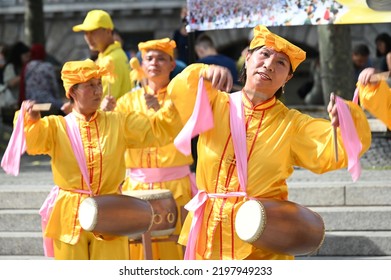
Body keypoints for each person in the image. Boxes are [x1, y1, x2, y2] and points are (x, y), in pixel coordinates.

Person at [167, 24, 372, 260]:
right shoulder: (214, 103)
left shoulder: (292, 125)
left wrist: (345, 119)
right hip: (209, 237)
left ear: (288, 78)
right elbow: (178, 94)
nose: (269, 64)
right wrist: (202, 73)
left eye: (281, 63)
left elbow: (336, 149)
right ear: (247, 57)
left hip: (261, 241)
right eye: (264, 54)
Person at [2, 59, 182, 260]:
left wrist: (172, 102)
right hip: (70, 214)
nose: (98, 91)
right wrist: (31, 120)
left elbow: (157, 130)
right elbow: (32, 143)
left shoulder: (118, 121)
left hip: (110, 210)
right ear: (72, 92)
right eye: (90, 86)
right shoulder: (56, 126)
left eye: (99, 84)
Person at [106, 38, 194, 260]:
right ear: (141, 64)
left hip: (176, 185)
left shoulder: (181, 99)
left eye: (161, 58)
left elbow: (188, 131)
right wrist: (105, 114)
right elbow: (115, 137)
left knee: (176, 247)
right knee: (137, 250)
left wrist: (161, 111)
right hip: (137, 185)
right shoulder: (125, 101)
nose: (155, 63)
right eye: (149, 58)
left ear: (172, 65)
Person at [72, 9, 132, 101]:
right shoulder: (111, 55)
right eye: (86, 33)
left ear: (108, 31)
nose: (88, 37)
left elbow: (99, 101)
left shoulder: (111, 60)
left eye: (92, 32)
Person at [24, 44, 66, 114]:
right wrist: (57, 98)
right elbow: (54, 86)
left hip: (30, 101)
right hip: (46, 100)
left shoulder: (28, 66)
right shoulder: (47, 67)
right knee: (65, 106)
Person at [2, 41, 30, 106]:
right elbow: (10, 83)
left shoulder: (28, 66)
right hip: (14, 102)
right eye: (26, 56)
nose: (28, 59)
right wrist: (23, 75)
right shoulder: (10, 67)